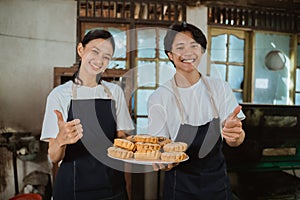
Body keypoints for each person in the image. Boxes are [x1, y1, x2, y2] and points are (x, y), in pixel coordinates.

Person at [147, 22, 246, 199]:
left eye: (194, 45)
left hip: (217, 185)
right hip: (180, 186)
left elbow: (236, 140)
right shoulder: (159, 97)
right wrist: (163, 161)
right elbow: (159, 146)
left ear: (201, 51)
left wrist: (236, 135)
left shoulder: (220, 88)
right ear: (170, 54)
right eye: (180, 47)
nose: (188, 52)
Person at [40, 29, 134, 200]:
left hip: (112, 186)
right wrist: (61, 140)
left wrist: (140, 148)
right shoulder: (59, 95)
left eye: (107, 56)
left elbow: (121, 137)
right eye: (95, 51)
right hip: (73, 188)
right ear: (81, 50)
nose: (99, 60)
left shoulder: (114, 93)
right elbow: (54, 157)